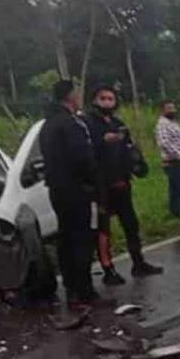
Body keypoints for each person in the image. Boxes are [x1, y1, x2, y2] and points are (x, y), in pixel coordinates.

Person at [85, 84, 163, 286]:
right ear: (94, 100)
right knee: (103, 230)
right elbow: (85, 153)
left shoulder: (119, 124)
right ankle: (108, 269)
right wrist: (103, 142)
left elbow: (130, 148)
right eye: (103, 98)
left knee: (131, 224)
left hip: (122, 182)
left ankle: (138, 262)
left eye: (111, 99)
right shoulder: (88, 125)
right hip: (101, 186)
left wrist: (138, 164)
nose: (107, 102)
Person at [39, 80, 102, 306]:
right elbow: (82, 158)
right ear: (69, 97)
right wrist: (93, 182)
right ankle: (85, 290)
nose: (79, 96)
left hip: (57, 190)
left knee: (65, 238)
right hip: (77, 190)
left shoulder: (47, 125)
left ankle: (71, 287)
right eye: (76, 93)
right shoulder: (70, 124)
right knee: (82, 239)